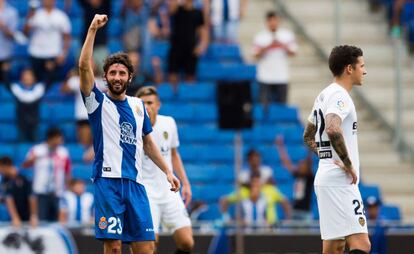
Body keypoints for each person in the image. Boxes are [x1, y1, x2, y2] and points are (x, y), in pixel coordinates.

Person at [78, 14, 180, 254]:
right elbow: (83, 66)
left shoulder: (138, 106)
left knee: (145, 249)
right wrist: (92, 29)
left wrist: (167, 170)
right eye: (112, 73)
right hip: (108, 183)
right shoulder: (97, 102)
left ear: (130, 78)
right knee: (113, 248)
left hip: (135, 184)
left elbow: (148, 142)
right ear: (105, 77)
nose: (117, 77)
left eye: (122, 73)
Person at [303, 45, 371, 254]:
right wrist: (348, 165)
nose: (364, 71)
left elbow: (307, 136)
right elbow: (333, 129)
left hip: (326, 177)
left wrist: (327, 157)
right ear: (349, 69)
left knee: (335, 248)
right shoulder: (341, 96)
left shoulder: (323, 95)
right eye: (362, 65)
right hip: (340, 181)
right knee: (362, 244)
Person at [136, 86, 194, 254]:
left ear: (158, 105)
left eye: (150, 102)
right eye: (143, 103)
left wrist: (186, 184)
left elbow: (174, 154)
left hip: (169, 192)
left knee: (187, 243)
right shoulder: (133, 127)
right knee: (149, 247)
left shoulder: (168, 123)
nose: (147, 106)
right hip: (146, 194)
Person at [22, 127, 72, 222]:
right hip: (41, 193)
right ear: (51, 138)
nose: (60, 141)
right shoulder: (37, 150)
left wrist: (68, 188)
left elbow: (67, 171)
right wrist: (32, 159)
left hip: (57, 193)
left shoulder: (63, 152)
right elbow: (25, 165)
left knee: (57, 222)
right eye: (58, 138)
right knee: (42, 221)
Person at [253, 11, 297, 106]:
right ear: (267, 22)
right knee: (263, 107)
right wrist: (268, 46)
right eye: (270, 21)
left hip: (282, 76)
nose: (273, 23)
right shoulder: (260, 36)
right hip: (265, 77)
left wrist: (282, 45)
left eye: (275, 20)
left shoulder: (287, 35)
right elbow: (255, 55)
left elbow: (293, 52)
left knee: (281, 107)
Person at [23, 0, 72, 83]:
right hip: (36, 53)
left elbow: (67, 37)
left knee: (50, 81)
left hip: (53, 53)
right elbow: (25, 33)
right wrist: (29, 16)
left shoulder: (61, 16)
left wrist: (63, 54)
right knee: (35, 81)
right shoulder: (35, 14)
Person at [220, 176, 292, 227]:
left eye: (258, 184)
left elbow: (285, 201)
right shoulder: (243, 195)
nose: (256, 187)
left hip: (270, 228)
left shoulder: (270, 190)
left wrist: (287, 220)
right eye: (254, 185)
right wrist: (226, 218)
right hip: (247, 230)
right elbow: (224, 200)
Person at [167, 0, 208, 88]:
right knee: (172, 77)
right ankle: (173, 99)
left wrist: (201, 46)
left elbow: (203, 31)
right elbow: (171, 8)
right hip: (176, 49)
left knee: (190, 79)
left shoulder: (198, 12)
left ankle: (190, 99)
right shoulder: (177, 9)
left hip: (191, 50)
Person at [275, 136, 314, 221]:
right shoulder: (297, 175)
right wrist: (280, 147)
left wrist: (310, 147)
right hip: (295, 210)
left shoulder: (309, 178)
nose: (300, 166)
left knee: (306, 234)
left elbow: (309, 159)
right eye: (300, 164)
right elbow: (286, 162)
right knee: (293, 234)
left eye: (302, 164)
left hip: (305, 212)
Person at [8, 67, 47, 142]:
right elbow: (6, 81)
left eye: (29, 75)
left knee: (36, 145)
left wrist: (51, 70)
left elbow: (50, 80)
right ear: (21, 78)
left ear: (34, 78)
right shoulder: (16, 89)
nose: (27, 77)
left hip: (35, 124)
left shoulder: (38, 89)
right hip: (21, 125)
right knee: (21, 145)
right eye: (25, 75)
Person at [0, 156, 38, 228]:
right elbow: (8, 199)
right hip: (13, 218)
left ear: (5, 166)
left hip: (26, 215)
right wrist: (15, 217)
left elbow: (32, 197)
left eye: (1, 168)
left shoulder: (24, 177)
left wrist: (33, 216)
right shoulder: (4, 180)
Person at [0, 0, 18, 85]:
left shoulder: (12, 12)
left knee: (6, 83)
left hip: (5, 54)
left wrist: (3, 26)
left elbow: (12, 35)